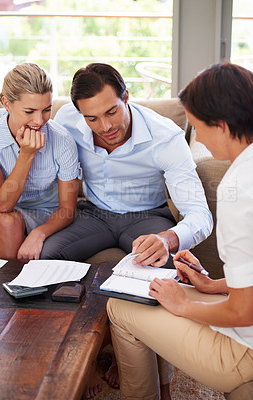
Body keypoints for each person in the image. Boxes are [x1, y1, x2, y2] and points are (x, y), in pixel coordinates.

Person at [40, 63, 213, 398]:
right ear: (79, 113)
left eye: (112, 112)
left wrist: (167, 238)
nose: (105, 127)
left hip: (146, 218)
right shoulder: (65, 122)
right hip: (93, 215)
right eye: (92, 118)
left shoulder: (165, 137)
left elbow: (200, 215)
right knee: (47, 258)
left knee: (160, 269)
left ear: (127, 98)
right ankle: (78, 358)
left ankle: (142, 361)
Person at [107, 62, 253, 400]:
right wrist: (212, 284)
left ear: (222, 124)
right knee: (166, 291)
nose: (198, 137)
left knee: (120, 307)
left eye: (200, 127)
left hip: (243, 353)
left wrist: (183, 306)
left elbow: (243, 311)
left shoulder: (237, 190)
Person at [0, 63, 80, 260]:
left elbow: (67, 209)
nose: (39, 121)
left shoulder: (62, 141)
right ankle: (17, 286)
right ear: (6, 103)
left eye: (47, 109)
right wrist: (27, 154)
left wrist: (39, 233)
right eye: (29, 112)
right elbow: (4, 205)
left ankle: (0, 268)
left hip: (42, 211)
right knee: (8, 222)